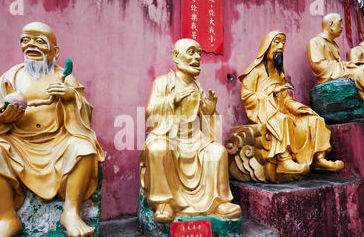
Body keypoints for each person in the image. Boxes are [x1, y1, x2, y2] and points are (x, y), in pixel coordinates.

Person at [0, 22, 105, 237]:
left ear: (54, 52)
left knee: (84, 148)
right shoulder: (10, 77)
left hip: (58, 142)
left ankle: (71, 209)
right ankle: (6, 220)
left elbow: (84, 111)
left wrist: (70, 98)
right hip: (16, 143)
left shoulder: (64, 77)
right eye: (26, 40)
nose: (31, 46)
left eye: (39, 41)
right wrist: (2, 115)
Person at [139, 38, 241, 223]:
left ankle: (218, 202)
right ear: (176, 56)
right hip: (167, 135)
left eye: (199, 54)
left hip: (194, 138)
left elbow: (204, 122)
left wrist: (209, 111)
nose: (197, 58)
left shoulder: (197, 87)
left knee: (217, 152)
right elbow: (150, 112)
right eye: (191, 52)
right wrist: (172, 100)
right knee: (158, 150)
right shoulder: (162, 82)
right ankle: (164, 202)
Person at [238, 31, 343, 180]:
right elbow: (247, 97)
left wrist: (298, 108)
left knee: (315, 120)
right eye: (277, 42)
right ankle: (284, 160)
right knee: (283, 120)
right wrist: (271, 91)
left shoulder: (279, 74)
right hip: (266, 112)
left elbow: (285, 99)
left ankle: (319, 159)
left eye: (283, 43)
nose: (281, 46)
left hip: (282, 111)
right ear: (266, 46)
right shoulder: (255, 71)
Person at [307, 13, 364, 120]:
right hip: (329, 73)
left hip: (339, 68)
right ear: (331, 24)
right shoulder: (315, 42)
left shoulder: (334, 45)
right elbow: (318, 66)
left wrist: (345, 65)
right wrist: (343, 66)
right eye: (340, 23)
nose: (342, 27)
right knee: (359, 72)